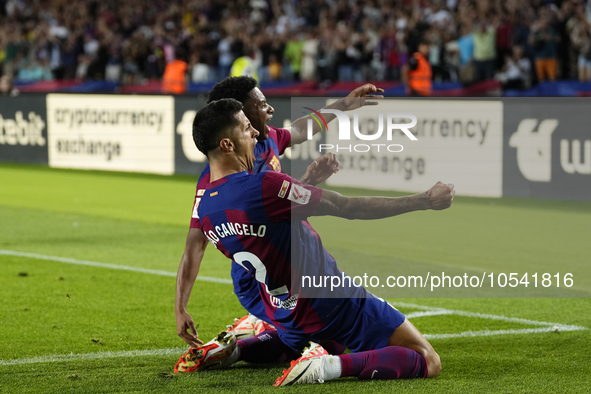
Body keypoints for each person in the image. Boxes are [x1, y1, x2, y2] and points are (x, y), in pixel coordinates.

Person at [179, 99, 453, 385]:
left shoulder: (206, 209)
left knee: (325, 340)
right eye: (247, 129)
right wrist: (423, 201)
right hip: (330, 302)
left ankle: (236, 349)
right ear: (226, 144)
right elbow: (347, 207)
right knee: (426, 358)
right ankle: (325, 367)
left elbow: (274, 220)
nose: (257, 134)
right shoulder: (264, 185)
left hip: (285, 315)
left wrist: (307, 181)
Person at [175, 77, 385, 351]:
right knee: (328, 342)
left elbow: (301, 130)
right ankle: (261, 326)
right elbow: (195, 246)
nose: (270, 109)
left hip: (290, 264)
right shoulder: (214, 182)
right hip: (258, 280)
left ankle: (243, 344)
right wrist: (180, 307)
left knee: (328, 341)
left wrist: (344, 104)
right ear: (241, 114)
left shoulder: (270, 139)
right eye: (261, 105)